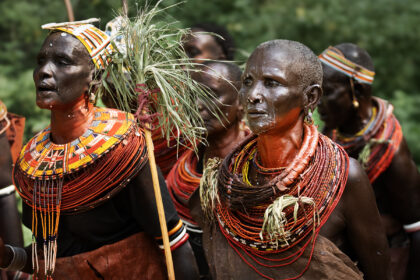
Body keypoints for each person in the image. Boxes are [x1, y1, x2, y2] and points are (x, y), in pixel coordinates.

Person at [0, 22, 198, 280]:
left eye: (62, 61)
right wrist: (7, 257)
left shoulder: (124, 147)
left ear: (94, 77)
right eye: (41, 61)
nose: (44, 72)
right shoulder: (35, 165)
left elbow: (174, 245)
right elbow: (51, 258)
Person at [190, 39, 392, 279]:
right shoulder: (228, 178)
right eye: (247, 82)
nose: (254, 94)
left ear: (310, 98)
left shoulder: (344, 178)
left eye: (272, 83)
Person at [318, 43, 420, 280]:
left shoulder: (390, 153)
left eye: (328, 91)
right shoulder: (335, 130)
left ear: (359, 92)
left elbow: (417, 229)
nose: (318, 101)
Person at [166, 61, 248, 279]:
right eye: (193, 95)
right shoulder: (183, 166)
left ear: (241, 102)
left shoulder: (259, 169)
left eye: (211, 95)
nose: (198, 105)